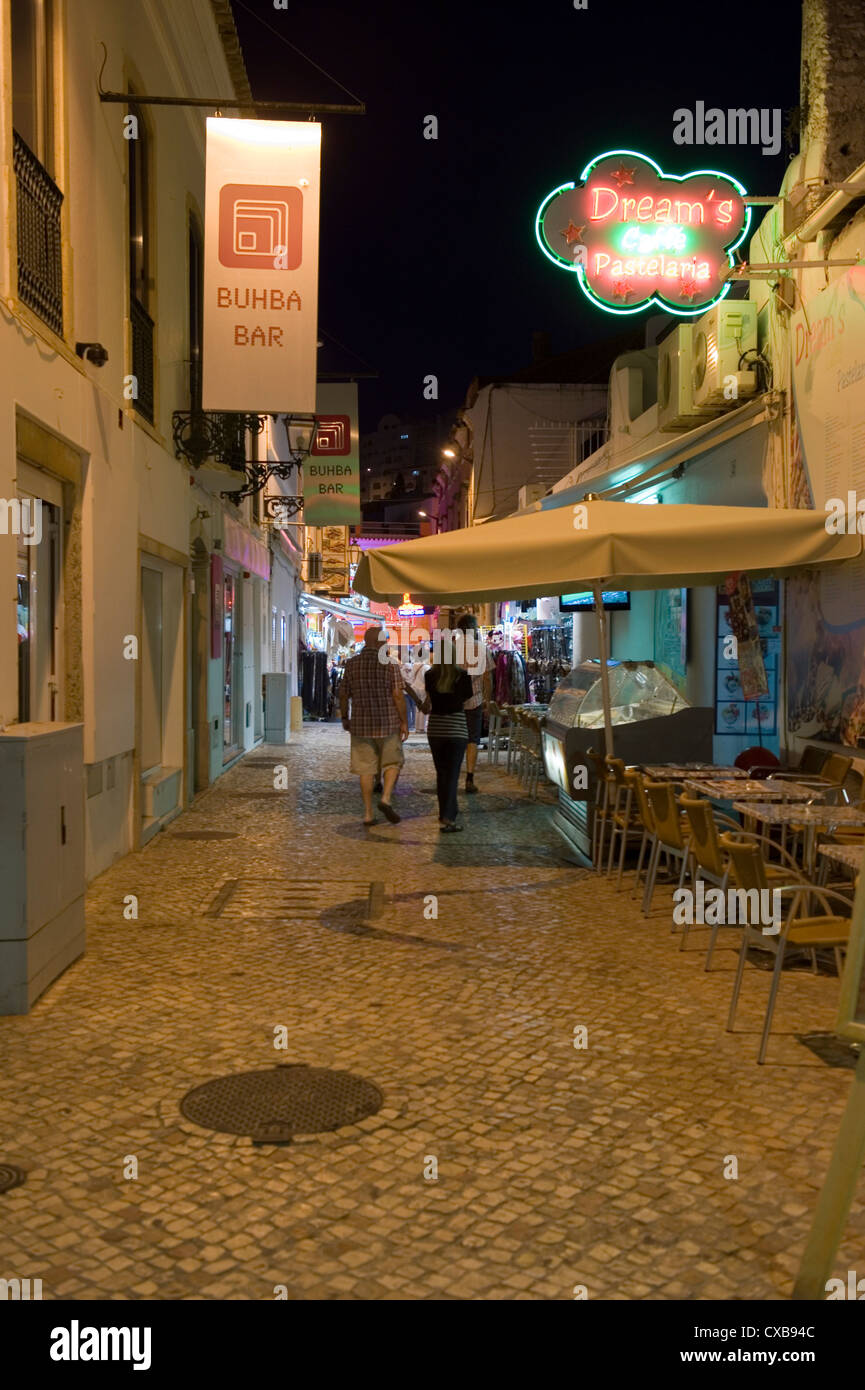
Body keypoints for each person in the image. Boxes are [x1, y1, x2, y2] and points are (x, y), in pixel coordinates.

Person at [339, 626, 408, 826]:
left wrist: (345, 717)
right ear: (380, 643)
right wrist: (404, 721)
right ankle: (386, 798)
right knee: (392, 763)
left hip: (361, 725)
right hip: (388, 723)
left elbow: (343, 694)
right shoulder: (390, 665)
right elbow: (397, 695)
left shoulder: (352, 664)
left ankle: (368, 813)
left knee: (365, 769)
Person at [420, 645, 473, 832]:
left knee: (441, 774)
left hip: (436, 730)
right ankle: (448, 817)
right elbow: (466, 699)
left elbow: (429, 701)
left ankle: (447, 813)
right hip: (457, 729)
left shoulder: (430, 676)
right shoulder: (463, 676)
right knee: (452, 774)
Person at [455, 613, 491, 795]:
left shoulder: (451, 648)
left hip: (454, 703)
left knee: (455, 738)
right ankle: (469, 776)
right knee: (472, 740)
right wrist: (488, 700)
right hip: (475, 701)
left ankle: (453, 774)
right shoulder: (481, 648)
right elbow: (487, 676)